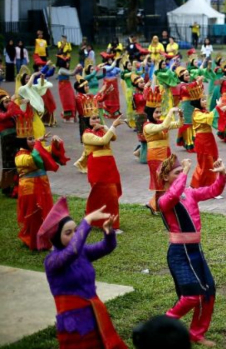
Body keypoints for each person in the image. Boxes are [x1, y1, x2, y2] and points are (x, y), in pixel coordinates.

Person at [157, 155, 226, 348]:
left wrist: (221, 175)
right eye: (176, 173)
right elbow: (173, 195)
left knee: (208, 294)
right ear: (165, 178)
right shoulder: (164, 200)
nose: (181, 175)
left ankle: (196, 333)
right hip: (179, 254)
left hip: (196, 251)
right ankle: (163, 325)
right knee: (191, 296)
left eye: (181, 172)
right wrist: (186, 171)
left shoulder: (190, 193)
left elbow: (214, 190)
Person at [38, 200, 126, 349]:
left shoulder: (82, 252)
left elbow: (106, 247)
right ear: (55, 237)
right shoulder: (52, 261)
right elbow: (72, 251)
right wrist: (87, 221)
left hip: (94, 316)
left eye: (75, 230)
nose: (74, 235)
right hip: (73, 324)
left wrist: (109, 232)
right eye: (68, 233)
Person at [15, 115, 68, 250]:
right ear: (22, 141)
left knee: (47, 212)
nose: (33, 141)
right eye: (30, 139)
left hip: (42, 186)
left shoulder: (35, 150)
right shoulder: (20, 157)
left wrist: (55, 143)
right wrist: (38, 144)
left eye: (33, 138)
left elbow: (46, 153)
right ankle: (34, 240)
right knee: (34, 215)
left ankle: (46, 239)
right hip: (30, 189)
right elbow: (35, 160)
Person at [143, 78, 182, 214]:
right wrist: (170, 112)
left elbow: (177, 125)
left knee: (167, 180)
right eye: (156, 112)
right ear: (149, 113)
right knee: (160, 182)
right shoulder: (148, 126)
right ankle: (158, 205)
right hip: (155, 155)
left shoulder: (159, 122)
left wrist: (180, 117)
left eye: (160, 112)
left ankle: (157, 205)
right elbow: (164, 126)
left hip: (166, 152)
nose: (159, 114)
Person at [83, 115, 124, 231]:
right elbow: (103, 141)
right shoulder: (87, 134)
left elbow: (114, 137)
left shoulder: (102, 130)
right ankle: (111, 225)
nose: (96, 120)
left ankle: (99, 219)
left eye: (97, 118)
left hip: (109, 165)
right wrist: (113, 126)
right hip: (97, 168)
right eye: (93, 118)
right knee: (103, 195)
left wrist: (105, 127)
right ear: (87, 121)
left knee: (113, 193)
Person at [191, 87, 222, 188]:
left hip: (209, 138)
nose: (205, 101)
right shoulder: (197, 114)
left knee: (212, 160)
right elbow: (209, 118)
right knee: (206, 162)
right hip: (202, 140)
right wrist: (217, 107)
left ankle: (198, 184)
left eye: (205, 99)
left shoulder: (204, 111)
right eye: (203, 99)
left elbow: (212, 118)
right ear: (197, 102)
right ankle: (211, 186)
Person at [0, 90, 26, 197]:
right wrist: (12, 101)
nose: (8, 104)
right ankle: (7, 188)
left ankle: (16, 187)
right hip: (6, 140)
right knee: (8, 163)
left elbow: (21, 113)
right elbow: (6, 116)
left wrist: (24, 104)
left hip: (15, 138)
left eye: (8, 102)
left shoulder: (10, 109)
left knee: (16, 161)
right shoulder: (1, 113)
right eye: (5, 102)